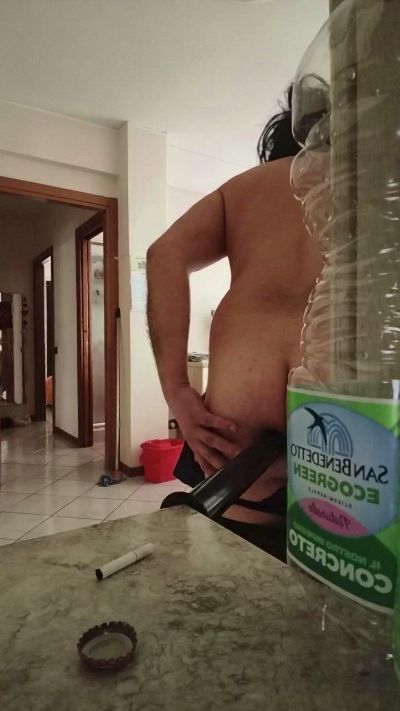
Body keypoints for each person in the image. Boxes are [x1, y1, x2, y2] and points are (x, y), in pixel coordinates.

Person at [146, 86, 323, 559]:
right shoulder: (375, 177)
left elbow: (164, 253)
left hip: (242, 408)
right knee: (350, 572)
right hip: (347, 400)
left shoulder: (246, 187)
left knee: (246, 571)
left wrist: (177, 391)